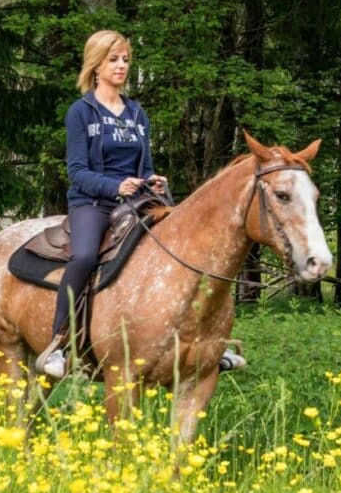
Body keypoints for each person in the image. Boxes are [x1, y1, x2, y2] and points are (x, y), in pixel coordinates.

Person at [35, 31, 246, 378]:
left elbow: (143, 167)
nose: (121, 66)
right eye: (112, 59)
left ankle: (206, 346)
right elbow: (77, 173)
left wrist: (154, 181)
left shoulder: (136, 113)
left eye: (125, 60)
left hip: (138, 202)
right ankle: (60, 343)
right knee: (85, 256)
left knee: (189, 251)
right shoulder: (81, 112)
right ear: (96, 65)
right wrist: (115, 185)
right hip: (93, 203)